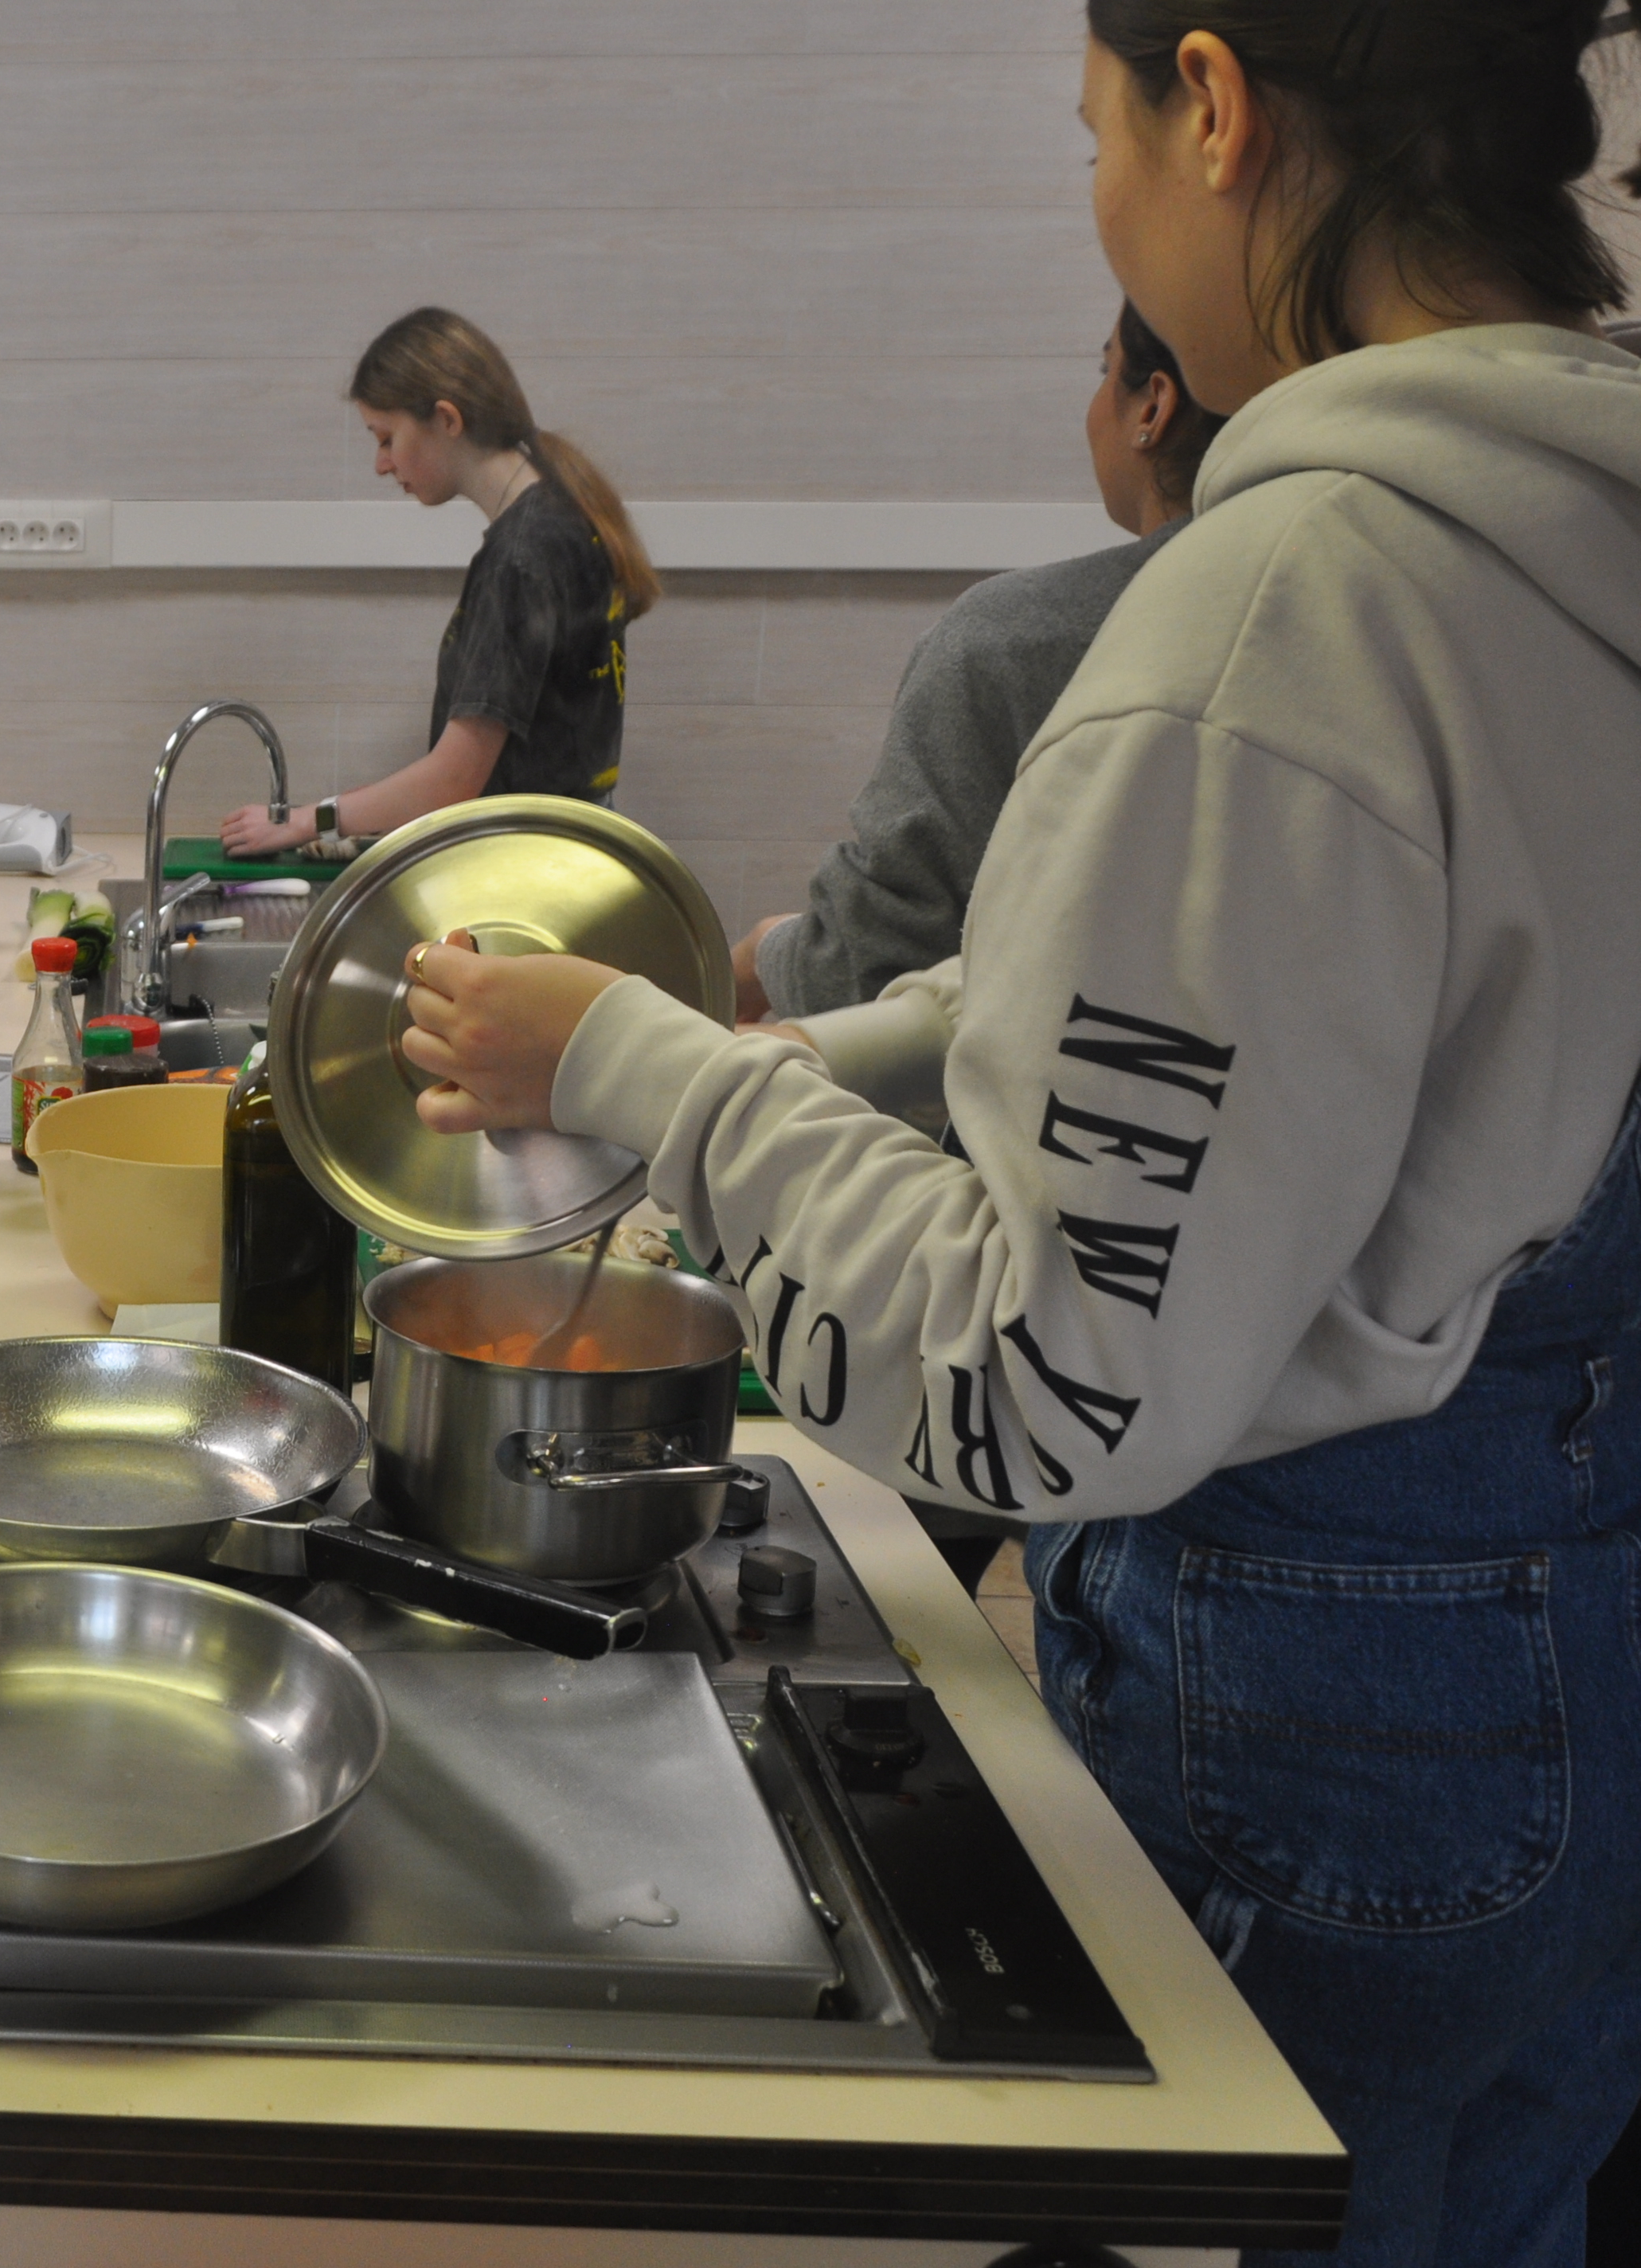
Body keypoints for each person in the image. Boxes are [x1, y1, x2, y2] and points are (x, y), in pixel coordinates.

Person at [396, 5, 1641, 2259]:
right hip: (1585, 1646)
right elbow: (1273, 1044)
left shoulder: (1291, 619)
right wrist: (773, 1068)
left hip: (1330, 1719)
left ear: (1220, 101)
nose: (1106, 198)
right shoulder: (1574, 546)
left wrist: (633, 1070)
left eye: (1099, 140)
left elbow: (1054, 1373)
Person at [733, 304, 1224, 1026]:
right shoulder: (1364, 626)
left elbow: (866, 969)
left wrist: (766, 952)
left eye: (1102, 372)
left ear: (1152, 406)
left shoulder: (1010, 642)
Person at [219, 308, 655, 856]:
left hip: (528, 869)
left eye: (386, 437)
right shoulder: (562, 519)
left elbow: (454, 780)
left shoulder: (520, 557)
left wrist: (305, 822)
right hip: (570, 853)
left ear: (447, 419)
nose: (381, 463)